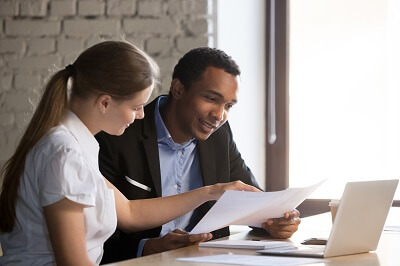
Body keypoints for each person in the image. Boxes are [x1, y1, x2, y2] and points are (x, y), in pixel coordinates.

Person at [0, 41, 260, 265]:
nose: (141, 115)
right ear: (104, 103)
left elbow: (129, 213)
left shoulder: (77, 145)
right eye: (136, 106)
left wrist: (211, 192)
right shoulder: (65, 153)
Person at [95, 47, 301, 264]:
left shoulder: (220, 136)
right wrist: (147, 247)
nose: (219, 115)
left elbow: (252, 200)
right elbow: (93, 239)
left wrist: (277, 221)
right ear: (177, 88)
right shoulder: (117, 135)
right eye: (212, 98)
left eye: (228, 105)